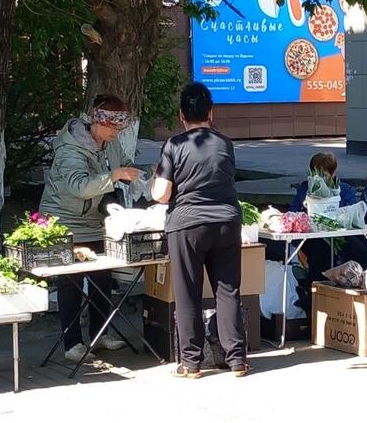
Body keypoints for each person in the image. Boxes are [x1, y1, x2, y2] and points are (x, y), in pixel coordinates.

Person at [152, 83, 249, 378]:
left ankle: (191, 363)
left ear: (181, 115)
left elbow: (162, 194)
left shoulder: (174, 145)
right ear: (211, 112)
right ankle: (237, 361)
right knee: (228, 291)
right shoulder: (225, 144)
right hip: (227, 222)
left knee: (188, 293)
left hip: (187, 225)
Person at [39, 94, 136, 362]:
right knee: (70, 281)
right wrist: (113, 176)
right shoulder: (71, 149)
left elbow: (123, 163)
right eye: (113, 128)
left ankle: (99, 334)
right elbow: (79, 187)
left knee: (103, 277)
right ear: (98, 122)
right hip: (64, 220)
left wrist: (134, 173)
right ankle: (73, 344)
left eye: (120, 129)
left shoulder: (110, 144)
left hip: (94, 220)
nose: (116, 134)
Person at [288, 152, 367, 315]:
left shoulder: (345, 189)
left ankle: (354, 294)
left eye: (326, 173)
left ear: (334, 172)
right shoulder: (305, 188)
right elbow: (293, 211)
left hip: (341, 233)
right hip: (313, 235)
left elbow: (353, 214)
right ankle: (316, 303)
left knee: (359, 250)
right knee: (321, 254)